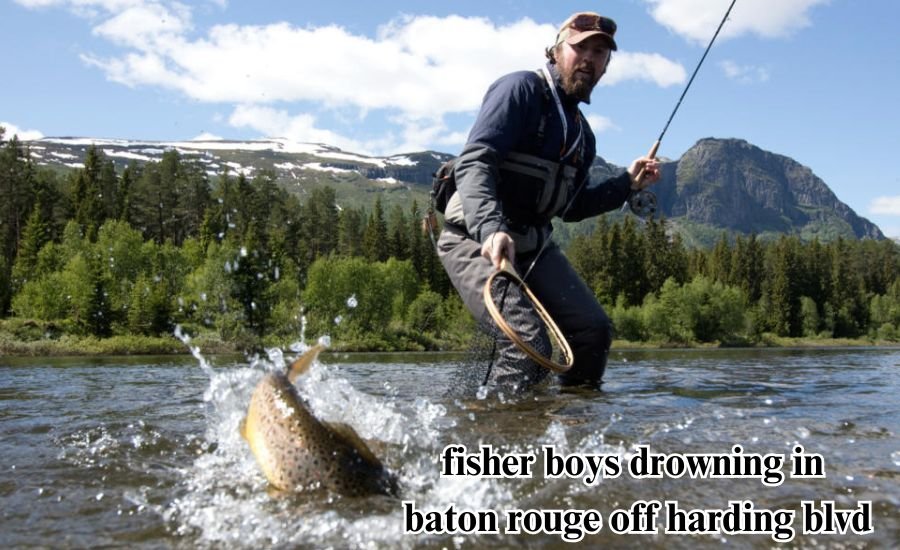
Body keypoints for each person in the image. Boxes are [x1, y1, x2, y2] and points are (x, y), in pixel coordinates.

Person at [437, 11, 661, 392]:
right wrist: (491, 230)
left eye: (601, 52)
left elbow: (571, 208)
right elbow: (476, 160)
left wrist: (626, 184)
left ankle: (571, 431)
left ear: (607, 66)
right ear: (557, 51)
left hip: (534, 248)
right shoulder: (521, 89)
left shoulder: (584, 138)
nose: (590, 59)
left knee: (593, 332)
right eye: (581, 48)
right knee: (526, 344)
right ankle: (497, 439)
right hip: (473, 239)